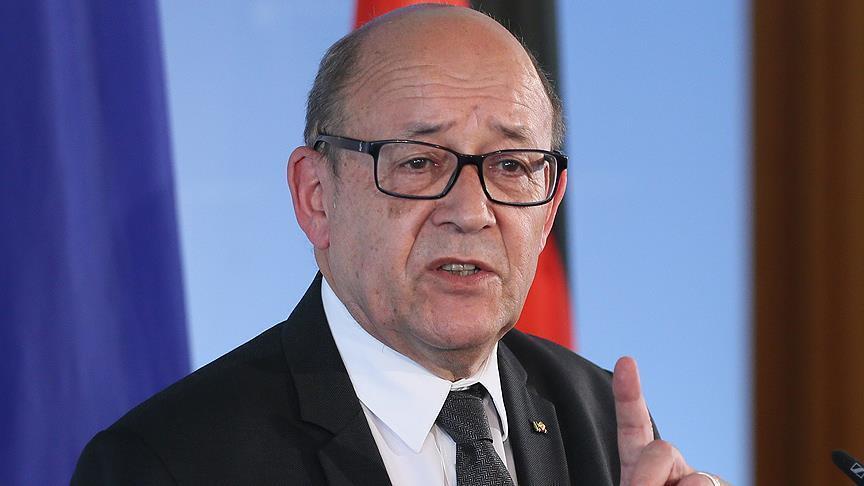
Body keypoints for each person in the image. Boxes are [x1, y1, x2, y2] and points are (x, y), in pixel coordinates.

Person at [73, 4, 726, 485]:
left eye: (511, 166)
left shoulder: (604, 425)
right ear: (316, 196)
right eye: (418, 163)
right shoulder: (169, 463)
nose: (471, 213)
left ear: (550, 206)